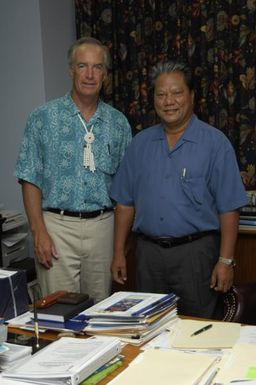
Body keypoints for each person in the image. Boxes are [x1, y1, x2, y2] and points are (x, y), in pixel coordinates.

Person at [110, 60, 249, 319]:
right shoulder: (139, 144)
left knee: (199, 331)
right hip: (148, 257)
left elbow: (229, 208)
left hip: (196, 256)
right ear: (153, 99)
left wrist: (226, 261)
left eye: (176, 93)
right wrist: (118, 251)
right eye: (161, 94)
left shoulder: (215, 144)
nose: (168, 101)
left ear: (192, 96)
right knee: (148, 330)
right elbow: (125, 204)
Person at [15, 37, 132, 303]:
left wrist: (120, 247)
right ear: (71, 70)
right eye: (83, 66)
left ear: (105, 74)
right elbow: (29, 177)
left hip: (104, 227)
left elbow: (127, 189)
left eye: (97, 67)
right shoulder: (43, 117)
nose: (90, 74)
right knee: (59, 311)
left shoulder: (118, 123)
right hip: (56, 227)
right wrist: (39, 232)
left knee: (100, 311)